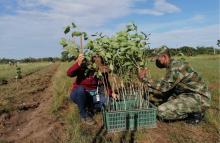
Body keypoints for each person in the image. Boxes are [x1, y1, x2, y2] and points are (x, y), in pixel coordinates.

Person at [138, 47, 211, 124]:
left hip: (198, 98)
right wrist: (150, 89)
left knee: (161, 111)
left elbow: (165, 87)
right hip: (186, 94)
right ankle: (189, 108)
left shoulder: (176, 67)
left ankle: (196, 112)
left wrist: (145, 78)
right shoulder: (172, 65)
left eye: (157, 59)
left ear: (164, 57)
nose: (157, 62)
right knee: (159, 97)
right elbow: (166, 84)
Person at [67, 53, 113, 125]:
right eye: (95, 60)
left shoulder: (100, 70)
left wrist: (111, 93)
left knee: (109, 102)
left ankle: (90, 107)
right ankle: (84, 115)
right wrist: (78, 63)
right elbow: (69, 73)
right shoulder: (83, 66)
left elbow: (106, 82)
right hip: (78, 94)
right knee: (81, 90)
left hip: (93, 95)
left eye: (98, 61)